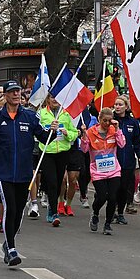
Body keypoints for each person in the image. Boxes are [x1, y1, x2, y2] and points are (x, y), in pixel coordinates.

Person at [0, 81, 51, 266]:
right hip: (3, 172)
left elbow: (44, 137)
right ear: (5, 95)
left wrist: (53, 130)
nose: (15, 95)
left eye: (18, 92)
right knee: (10, 208)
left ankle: (8, 243)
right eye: (12, 92)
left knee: (19, 210)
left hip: (23, 172)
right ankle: (12, 249)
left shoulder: (30, 116)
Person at [80, 107, 125, 235]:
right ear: (99, 119)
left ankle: (107, 224)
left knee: (112, 197)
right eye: (104, 120)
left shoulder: (114, 130)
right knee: (102, 196)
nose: (106, 124)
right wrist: (83, 135)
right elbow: (84, 149)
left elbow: (122, 144)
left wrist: (117, 130)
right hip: (98, 170)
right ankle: (95, 213)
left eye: (109, 121)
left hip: (113, 170)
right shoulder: (90, 132)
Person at [36, 95, 79, 226]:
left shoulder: (66, 114)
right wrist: (49, 130)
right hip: (47, 152)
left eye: (57, 98)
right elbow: (37, 131)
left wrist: (67, 133)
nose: (55, 100)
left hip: (63, 153)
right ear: (48, 99)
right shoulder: (41, 113)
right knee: (52, 182)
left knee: (60, 181)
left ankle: (52, 205)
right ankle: (53, 212)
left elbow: (74, 132)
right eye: (52, 98)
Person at [113, 96, 140, 224]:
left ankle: (120, 212)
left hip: (128, 160)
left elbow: (137, 142)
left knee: (124, 188)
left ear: (126, 106)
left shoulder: (133, 122)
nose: (117, 107)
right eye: (116, 104)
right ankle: (112, 211)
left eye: (120, 104)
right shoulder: (110, 120)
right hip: (113, 160)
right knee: (114, 188)